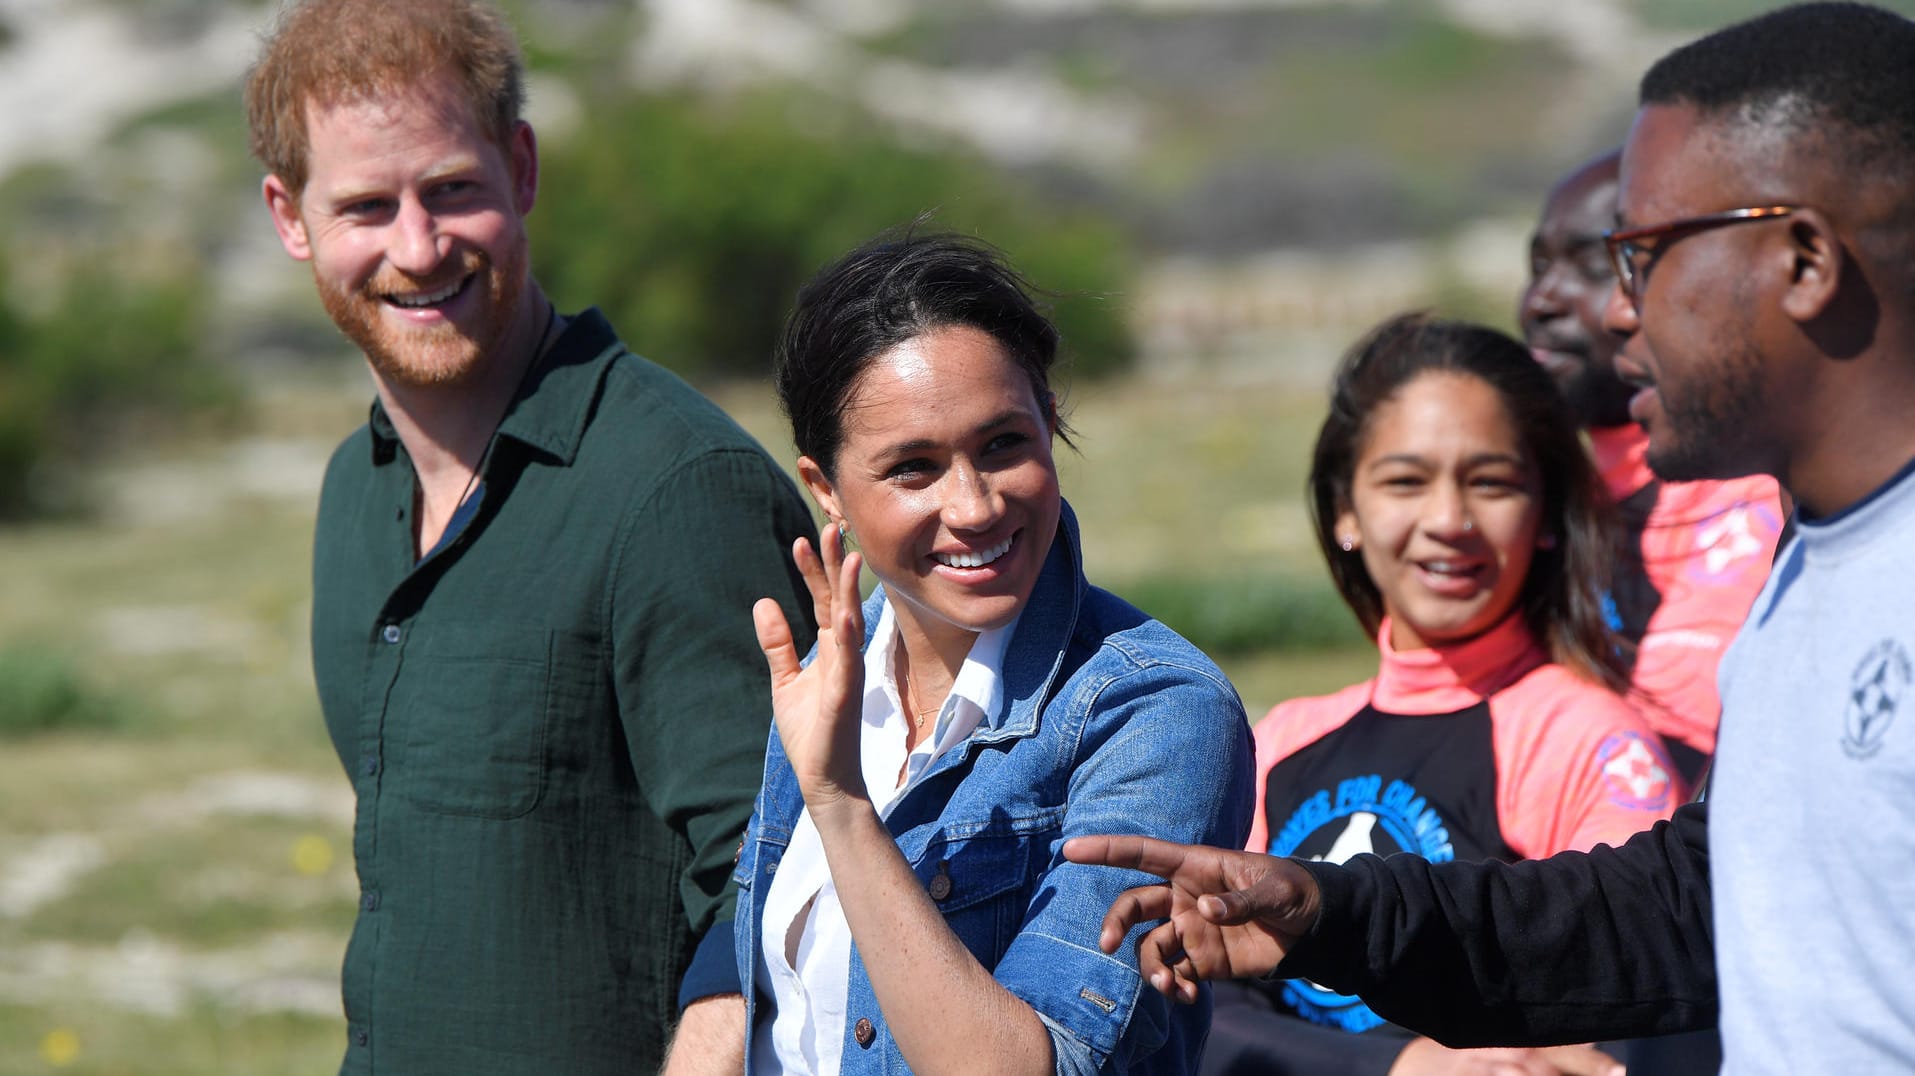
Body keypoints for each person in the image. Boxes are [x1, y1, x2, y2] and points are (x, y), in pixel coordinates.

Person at [1065, 4, 1915, 1072]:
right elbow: (1680, 911)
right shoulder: (1815, 571)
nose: (1613, 313)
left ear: (1801, 260)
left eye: (1643, 254)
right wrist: (1331, 911)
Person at [244, 1, 816, 1070]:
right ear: (290, 217)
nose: (418, 248)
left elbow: (782, 880)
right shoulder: (351, 492)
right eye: (366, 205)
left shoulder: (679, 489)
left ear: (522, 167)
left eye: (452, 189)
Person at [724, 232, 1254, 1074]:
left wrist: (841, 805)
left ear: (1049, 421)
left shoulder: (1154, 711)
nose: (972, 505)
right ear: (825, 490)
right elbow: (753, 991)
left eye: (1003, 443)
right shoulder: (833, 675)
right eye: (913, 468)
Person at [1203, 313, 1674, 1076]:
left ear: (1546, 514)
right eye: (1405, 481)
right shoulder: (1282, 740)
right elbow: (1203, 1005)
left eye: (1490, 482)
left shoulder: (1587, 741)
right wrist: (1402, 1068)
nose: (1449, 521)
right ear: (1345, 511)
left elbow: (1617, 1014)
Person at [1521, 150, 1783, 783]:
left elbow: (1680, 749)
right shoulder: (1525, 493)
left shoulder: (1754, 501)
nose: (1542, 299)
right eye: (1536, 266)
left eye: (1595, 264)